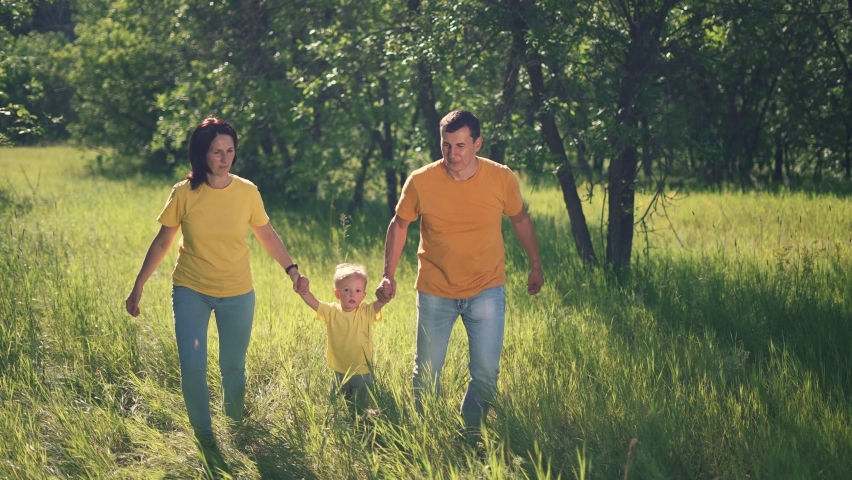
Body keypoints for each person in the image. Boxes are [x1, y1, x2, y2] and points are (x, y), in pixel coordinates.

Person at [125, 116, 303, 445]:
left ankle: (234, 429)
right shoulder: (184, 193)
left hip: (237, 292)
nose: (224, 158)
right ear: (202, 154)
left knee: (233, 367)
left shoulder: (247, 192)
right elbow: (163, 241)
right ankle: (205, 438)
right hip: (191, 289)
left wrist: (292, 269)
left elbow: (265, 232)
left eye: (229, 150)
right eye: (216, 152)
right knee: (192, 366)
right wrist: (139, 285)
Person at [376, 109, 544, 436]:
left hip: (486, 289)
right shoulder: (421, 180)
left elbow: (520, 219)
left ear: (477, 143)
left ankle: (470, 436)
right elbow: (399, 225)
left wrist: (535, 265)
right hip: (436, 289)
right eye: (446, 145)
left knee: (485, 372)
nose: (453, 154)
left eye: (461, 145)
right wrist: (388, 274)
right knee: (426, 373)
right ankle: (424, 439)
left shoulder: (501, 178)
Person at [294, 263, 387, 407]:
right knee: (338, 403)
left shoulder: (366, 312)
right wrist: (304, 291)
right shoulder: (332, 311)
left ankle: (361, 422)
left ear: (363, 295)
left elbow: (380, 303)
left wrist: (385, 296)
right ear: (337, 294)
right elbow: (313, 302)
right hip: (339, 369)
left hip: (362, 370)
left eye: (357, 290)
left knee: (361, 405)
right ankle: (339, 423)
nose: (352, 294)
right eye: (347, 290)